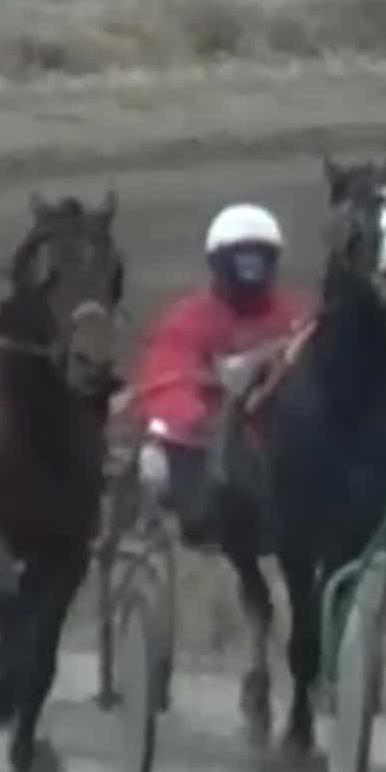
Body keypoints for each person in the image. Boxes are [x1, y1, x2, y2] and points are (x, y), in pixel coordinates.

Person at [128, 201, 309, 537]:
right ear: (220, 263)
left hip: (284, 438)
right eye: (243, 260)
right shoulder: (188, 318)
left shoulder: (295, 315)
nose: (251, 269)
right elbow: (169, 380)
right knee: (156, 457)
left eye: (259, 259)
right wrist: (199, 417)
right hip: (208, 444)